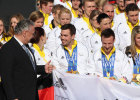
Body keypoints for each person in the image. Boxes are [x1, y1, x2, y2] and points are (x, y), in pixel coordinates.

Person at [0, 19, 53, 100]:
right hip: (19, 96)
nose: (33, 36)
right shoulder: (8, 49)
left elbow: (26, 68)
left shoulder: (26, 46)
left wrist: (43, 68)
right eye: (32, 34)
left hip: (32, 95)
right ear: (24, 33)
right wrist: (12, 97)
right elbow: (6, 76)